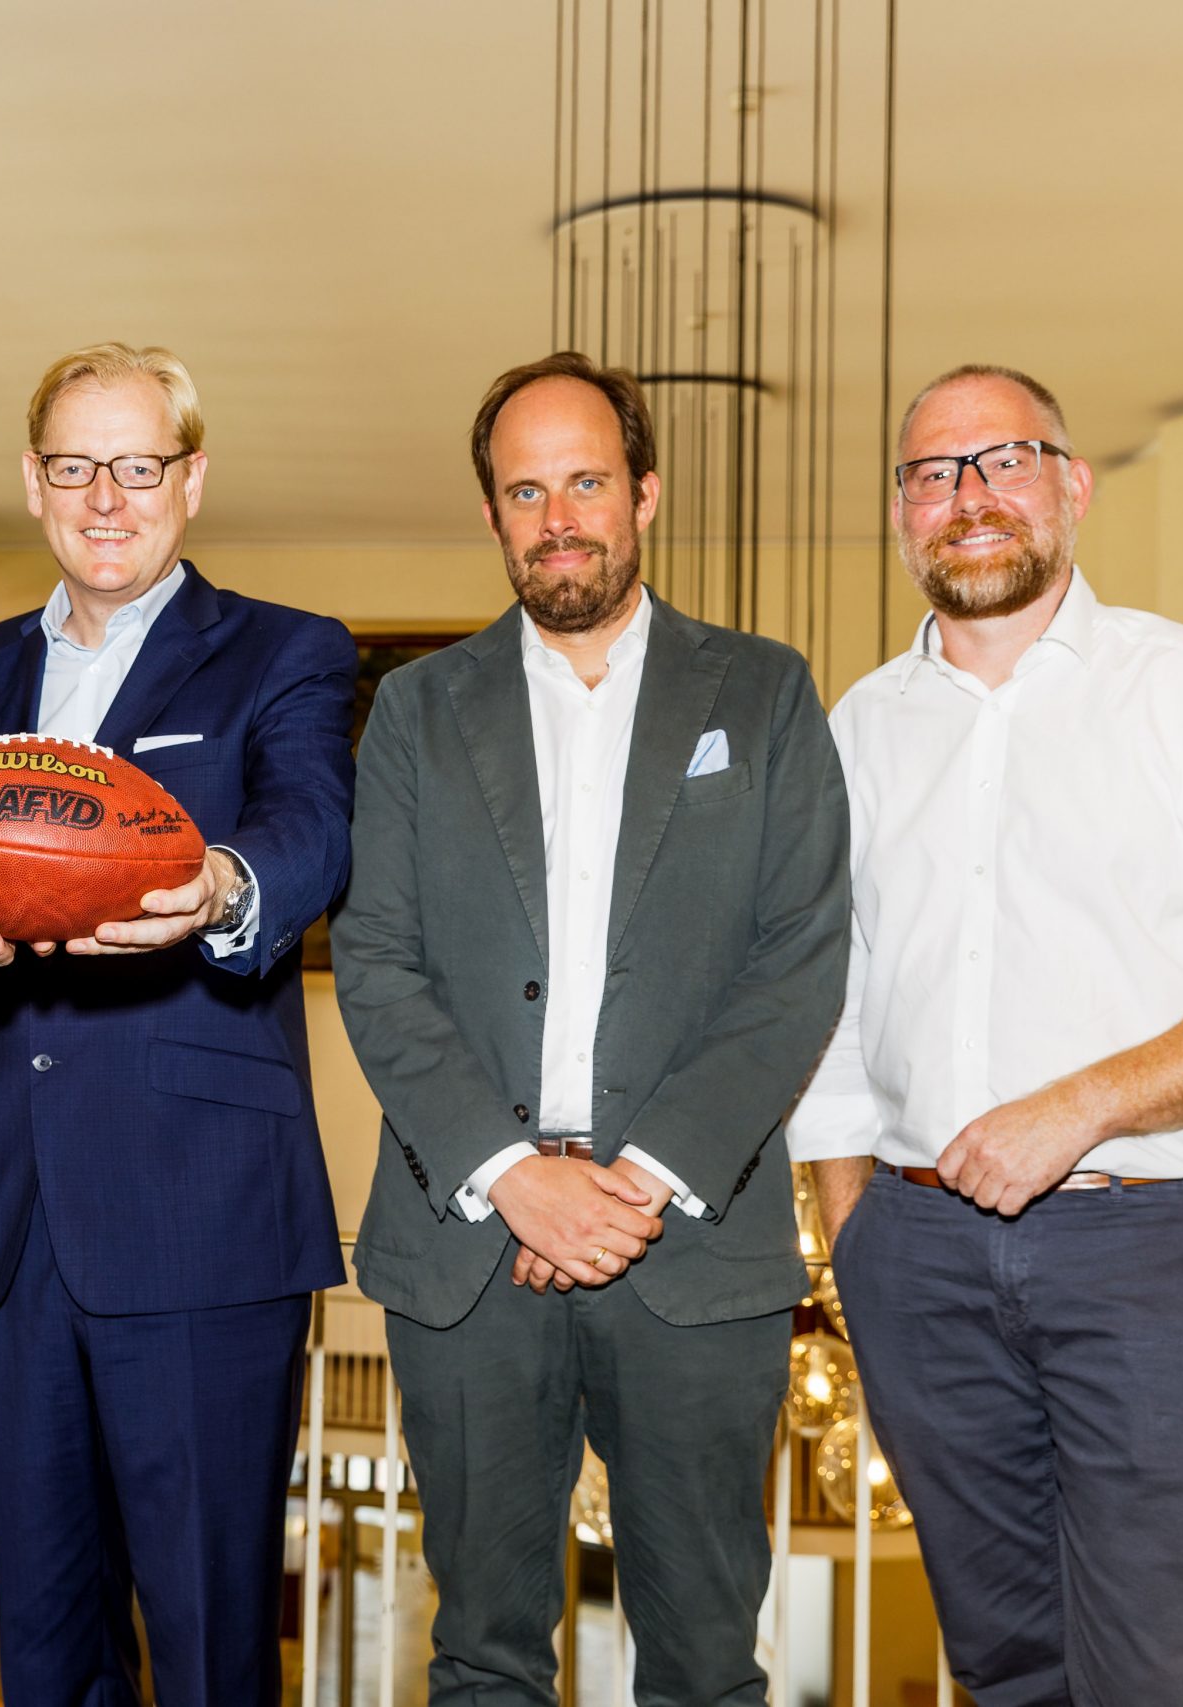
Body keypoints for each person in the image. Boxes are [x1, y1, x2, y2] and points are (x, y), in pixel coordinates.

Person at [787, 364, 1183, 1706]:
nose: (967, 497)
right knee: (1005, 1666)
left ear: (1072, 483)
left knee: (1167, 1671)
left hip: (1151, 1247)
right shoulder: (859, 731)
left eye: (1003, 459)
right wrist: (859, 1237)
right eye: (932, 473)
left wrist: (1086, 1104)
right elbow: (833, 1005)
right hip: (917, 1259)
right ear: (902, 514)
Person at [334, 351, 850, 1706]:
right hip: (468, 1246)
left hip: (686, 1235)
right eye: (524, 489)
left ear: (646, 491)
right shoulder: (414, 710)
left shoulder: (765, 692)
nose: (557, 514)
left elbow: (797, 960)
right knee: (481, 1650)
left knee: (701, 1661)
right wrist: (517, 1177)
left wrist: (636, 1181)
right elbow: (377, 960)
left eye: (585, 480)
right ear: (495, 514)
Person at [0, 342, 355, 1707]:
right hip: (10, 1225)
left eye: (137, 464)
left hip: (199, 1216)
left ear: (192, 478)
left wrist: (224, 883)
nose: (105, 496)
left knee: (211, 1633)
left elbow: (311, 825)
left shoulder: (282, 649)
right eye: (74, 465)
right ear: (35, 482)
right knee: (44, 1643)